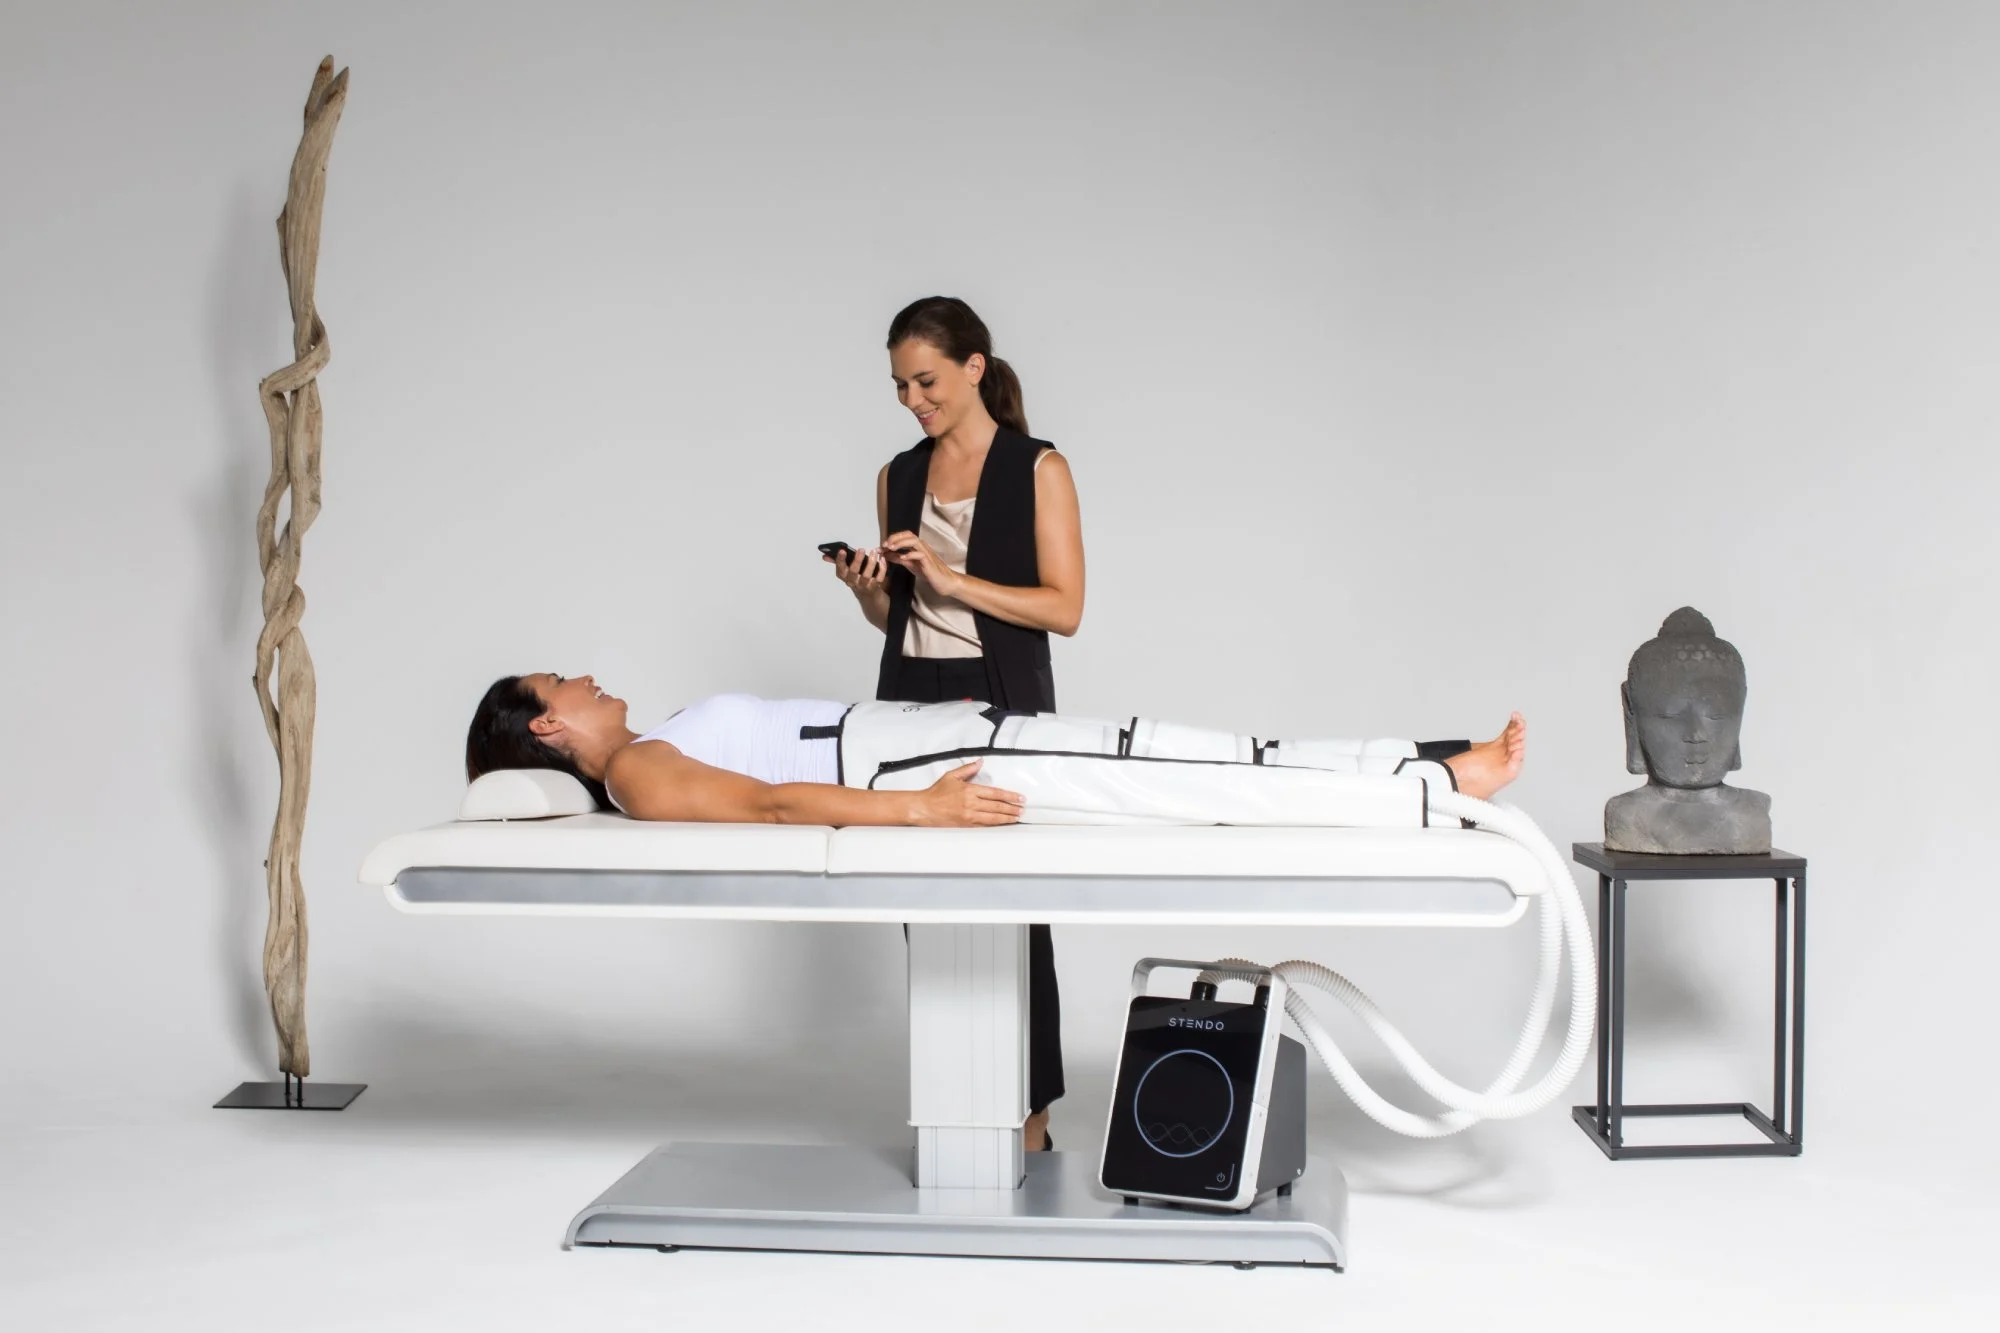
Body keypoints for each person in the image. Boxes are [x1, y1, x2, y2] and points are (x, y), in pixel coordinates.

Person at [823, 296, 1085, 1149]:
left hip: (1001, 696)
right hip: (909, 699)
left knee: (1015, 909)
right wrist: (874, 594)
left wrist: (951, 580)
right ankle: (959, 1108)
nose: (912, 399)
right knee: (920, 903)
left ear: (974, 368)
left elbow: (1066, 607)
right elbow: (898, 618)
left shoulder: (1038, 467)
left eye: (925, 380)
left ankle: (1031, 1119)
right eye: (900, 385)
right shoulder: (897, 475)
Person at [464, 676, 1529, 833]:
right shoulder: (636, 772)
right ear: (544, 727)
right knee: (1165, 775)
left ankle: (1419, 764)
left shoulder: (646, 744)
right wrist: (921, 810)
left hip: (906, 741)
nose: (590, 678)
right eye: (565, 682)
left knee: (1165, 753)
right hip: (903, 770)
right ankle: (1429, 783)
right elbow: (770, 804)